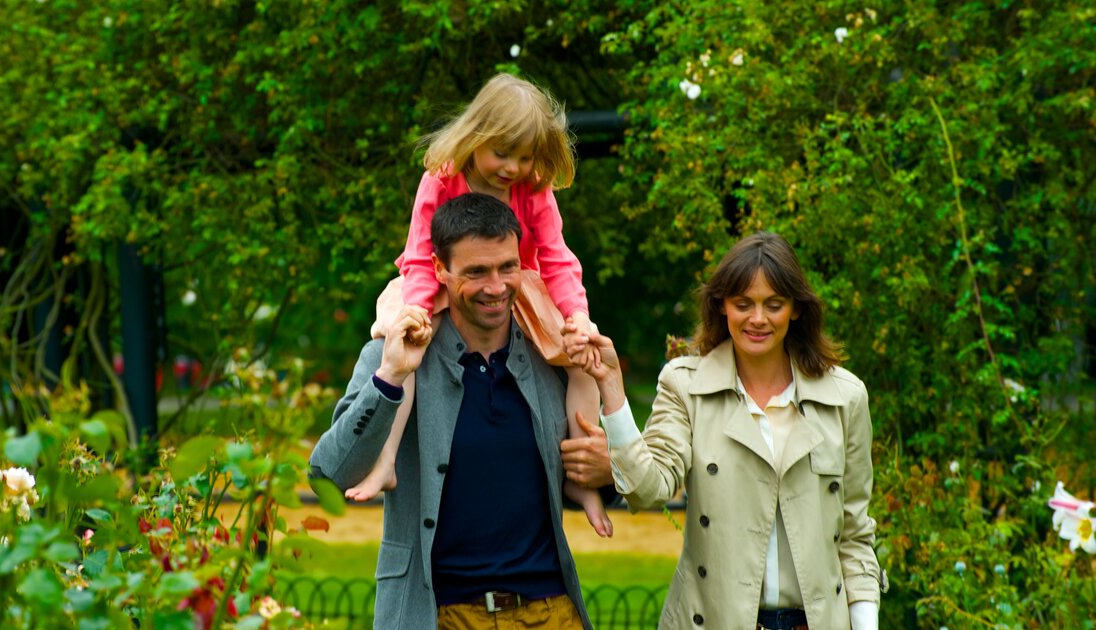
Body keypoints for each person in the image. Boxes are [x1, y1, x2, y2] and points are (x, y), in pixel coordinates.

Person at [310, 193, 604, 629]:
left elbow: (600, 465)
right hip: (436, 614)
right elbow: (328, 475)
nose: (496, 286)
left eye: (507, 267)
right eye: (476, 272)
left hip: (549, 611)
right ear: (439, 270)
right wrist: (389, 378)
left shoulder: (551, 354)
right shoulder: (395, 352)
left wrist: (605, 469)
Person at [566, 232, 886, 629]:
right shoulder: (685, 385)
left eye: (774, 305)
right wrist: (611, 386)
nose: (757, 319)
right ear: (721, 307)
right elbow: (648, 489)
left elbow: (854, 536)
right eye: (743, 304)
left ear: (796, 310)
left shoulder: (845, 397)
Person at [350, 72, 612, 538]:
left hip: (518, 287)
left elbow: (555, 256)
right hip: (432, 279)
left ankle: (580, 473)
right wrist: (415, 309)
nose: (512, 167)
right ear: (477, 136)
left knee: (582, 359)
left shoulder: (534, 187)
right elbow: (417, 253)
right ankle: (386, 459)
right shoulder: (442, 178)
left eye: (524, 156)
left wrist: (577, 317)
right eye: (502, 153)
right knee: (401, 348)